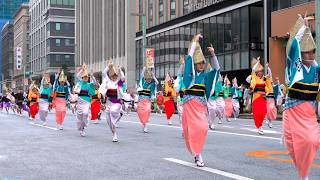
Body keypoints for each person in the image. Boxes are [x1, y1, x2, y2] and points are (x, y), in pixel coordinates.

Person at [283, 14, 319, 180]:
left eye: (313, 52)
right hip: (293, 112)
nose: (310, 55)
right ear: (301, 53)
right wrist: (303, 28)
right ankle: (302, 174)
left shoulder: (317, 69)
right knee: (293, 146)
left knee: (311, 141)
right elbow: (292, 46)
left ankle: (303, 174)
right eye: (307, 52)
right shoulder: (295, 65)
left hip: (309, 114)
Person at [181, 34, 219, 167]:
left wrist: (213, 55)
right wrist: (194, 43)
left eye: (203, 62)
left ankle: (197, 152)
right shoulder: (190, 75)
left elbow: (216, 70)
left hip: (200, 107)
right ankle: (198, 155)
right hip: (189, 107)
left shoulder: (206, 76)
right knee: (192, 130)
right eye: (198, 63)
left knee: (202, 127)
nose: (201, 65)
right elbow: (189, 58)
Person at [99, 60, 125, 142]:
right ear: (110, 76)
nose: (114, 77)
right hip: (108, 103)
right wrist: (109, 66)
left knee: (113, 111)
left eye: (116, 76)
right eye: (113, 76)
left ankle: (118, 115)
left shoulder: (119, 83)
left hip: (117, 103)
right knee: (109, 122)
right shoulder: (108, 81)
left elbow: (123, 78)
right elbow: (103, 73)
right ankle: (114, 135)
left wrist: (120, 70)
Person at [250, 56, 271, 135]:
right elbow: (253, 70)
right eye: (259, 71)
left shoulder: (264, 79)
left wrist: (267, 67)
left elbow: (269, 75)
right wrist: (258, 62)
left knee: (263, 113)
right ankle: (259, 127)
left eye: (262, 71)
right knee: (257, 114)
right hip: (256, 98)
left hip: (263, 98)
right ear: (257, 72)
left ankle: (260, 126)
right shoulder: (254, 77)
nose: (261, 72)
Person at [75, 65, 96, 136]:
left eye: (87, 77)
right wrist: (82, 70)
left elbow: (95, 83)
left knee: (85, 113)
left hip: (86, 102)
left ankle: (85, 125)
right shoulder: (80, 83)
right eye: (84, 77)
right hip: (80, 102)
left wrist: (92, 75)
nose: (86, 78)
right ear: (82, 78)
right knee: (80, 117)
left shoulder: (89, 85)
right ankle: (82, 129)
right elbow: (77, 76)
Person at [137, 66, 158, 133]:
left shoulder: (152, 84)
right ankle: (144, 124)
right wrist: (144, 68)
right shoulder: (143, 82)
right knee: (140, 113)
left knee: (148, 110)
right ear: (145, 79)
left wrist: (153, 76)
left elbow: (157, 82)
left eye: (150, 79)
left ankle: (145, 124)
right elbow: (141, 76)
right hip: (141, 100)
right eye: (147, 79)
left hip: (147, 101)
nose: (149, 80)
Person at [264, 64, 277, 128]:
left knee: (271, 109)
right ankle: (268, 120)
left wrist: (267, 67)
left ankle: (270, 121)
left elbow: (270, 73)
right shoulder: (264, 79)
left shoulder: (270, 79)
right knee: (268, 110)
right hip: (267, 97)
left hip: (271, 97)